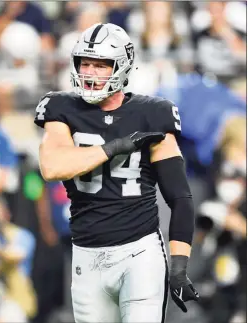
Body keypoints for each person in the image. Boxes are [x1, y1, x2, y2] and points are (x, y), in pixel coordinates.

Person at [34, 23, 199, 323]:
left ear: (121, 67)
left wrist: (178, 267)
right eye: (85, 63)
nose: (90, 72)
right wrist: (116, 147)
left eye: (101, 65)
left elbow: (180, 197)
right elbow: (51, 167)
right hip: (86, 254)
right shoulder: (61, 108)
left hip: (139, 253)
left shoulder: (152, 113)